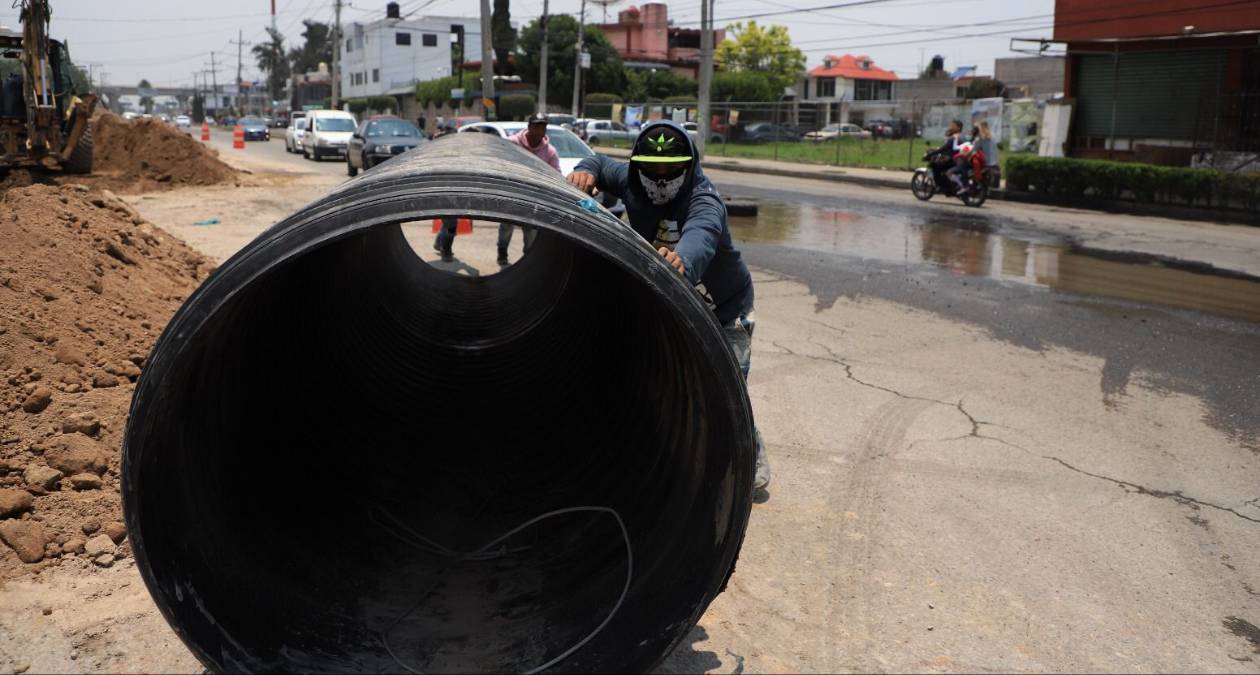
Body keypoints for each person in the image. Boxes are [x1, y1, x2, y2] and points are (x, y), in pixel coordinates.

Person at [567, 121, 772, 493]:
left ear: (688, 166)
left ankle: (749, 451)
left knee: (727, 392)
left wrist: (682, 261)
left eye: (671, 170)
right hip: (674, 298)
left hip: (727, 312)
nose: (660, 179)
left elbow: (703, 236)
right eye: (652, 169)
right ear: (638, 166)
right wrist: (585, 171)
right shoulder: (628, 179)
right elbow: (597, 160)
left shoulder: (704, 200)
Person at [498, 113, 560, 266]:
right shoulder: (512, 143)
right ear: (529, 127)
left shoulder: (550, 152)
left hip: (534, 197)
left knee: (531, 230)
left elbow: (556, 175)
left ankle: (527, 259)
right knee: (506, 226)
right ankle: (502, 253)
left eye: (543, 126)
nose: (540, 130)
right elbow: (499, 162)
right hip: (512, 193)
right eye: (537, 126)